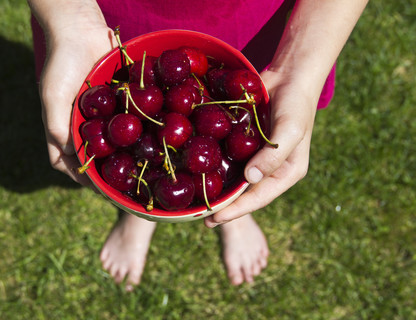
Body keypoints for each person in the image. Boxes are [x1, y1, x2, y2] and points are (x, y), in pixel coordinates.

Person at [28, 0, 368, 289]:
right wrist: (71, 19)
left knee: (235, 153)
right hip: (114, 14)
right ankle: (142, 211)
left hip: (252, 17)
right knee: (143, 171)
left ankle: (228, 208)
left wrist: (299, 67)